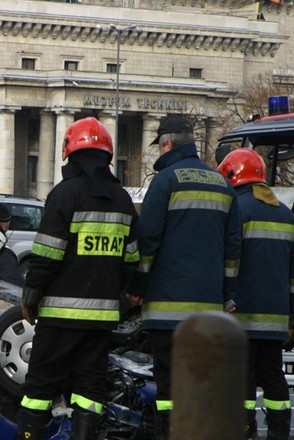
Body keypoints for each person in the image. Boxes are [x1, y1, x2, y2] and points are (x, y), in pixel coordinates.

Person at [17, 116, 139, 440]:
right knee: (90, 388)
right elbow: (131, 260)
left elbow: (47, 254)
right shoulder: (123, 200)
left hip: (59, 318)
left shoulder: (65, 194)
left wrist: (31, 293)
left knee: (39, 388)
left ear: (69, 153)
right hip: (100, 321)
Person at [125, 115, 242, 439]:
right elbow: (233, 251)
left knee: (168, 383)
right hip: (208, 312)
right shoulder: (223, 185)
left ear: (167, 144)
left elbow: (147, 242)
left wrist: (136, 287)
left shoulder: (165, 181)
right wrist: (227, 293)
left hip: (167, 311)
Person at [217, 149, 294, 440]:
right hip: (275, 320)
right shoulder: (286, 215)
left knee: (242, 380)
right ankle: (278, 433)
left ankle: (243, 431)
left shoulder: (236, 209)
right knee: (274, 378)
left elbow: (229, 262)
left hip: (241, 316)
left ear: (232, 174)